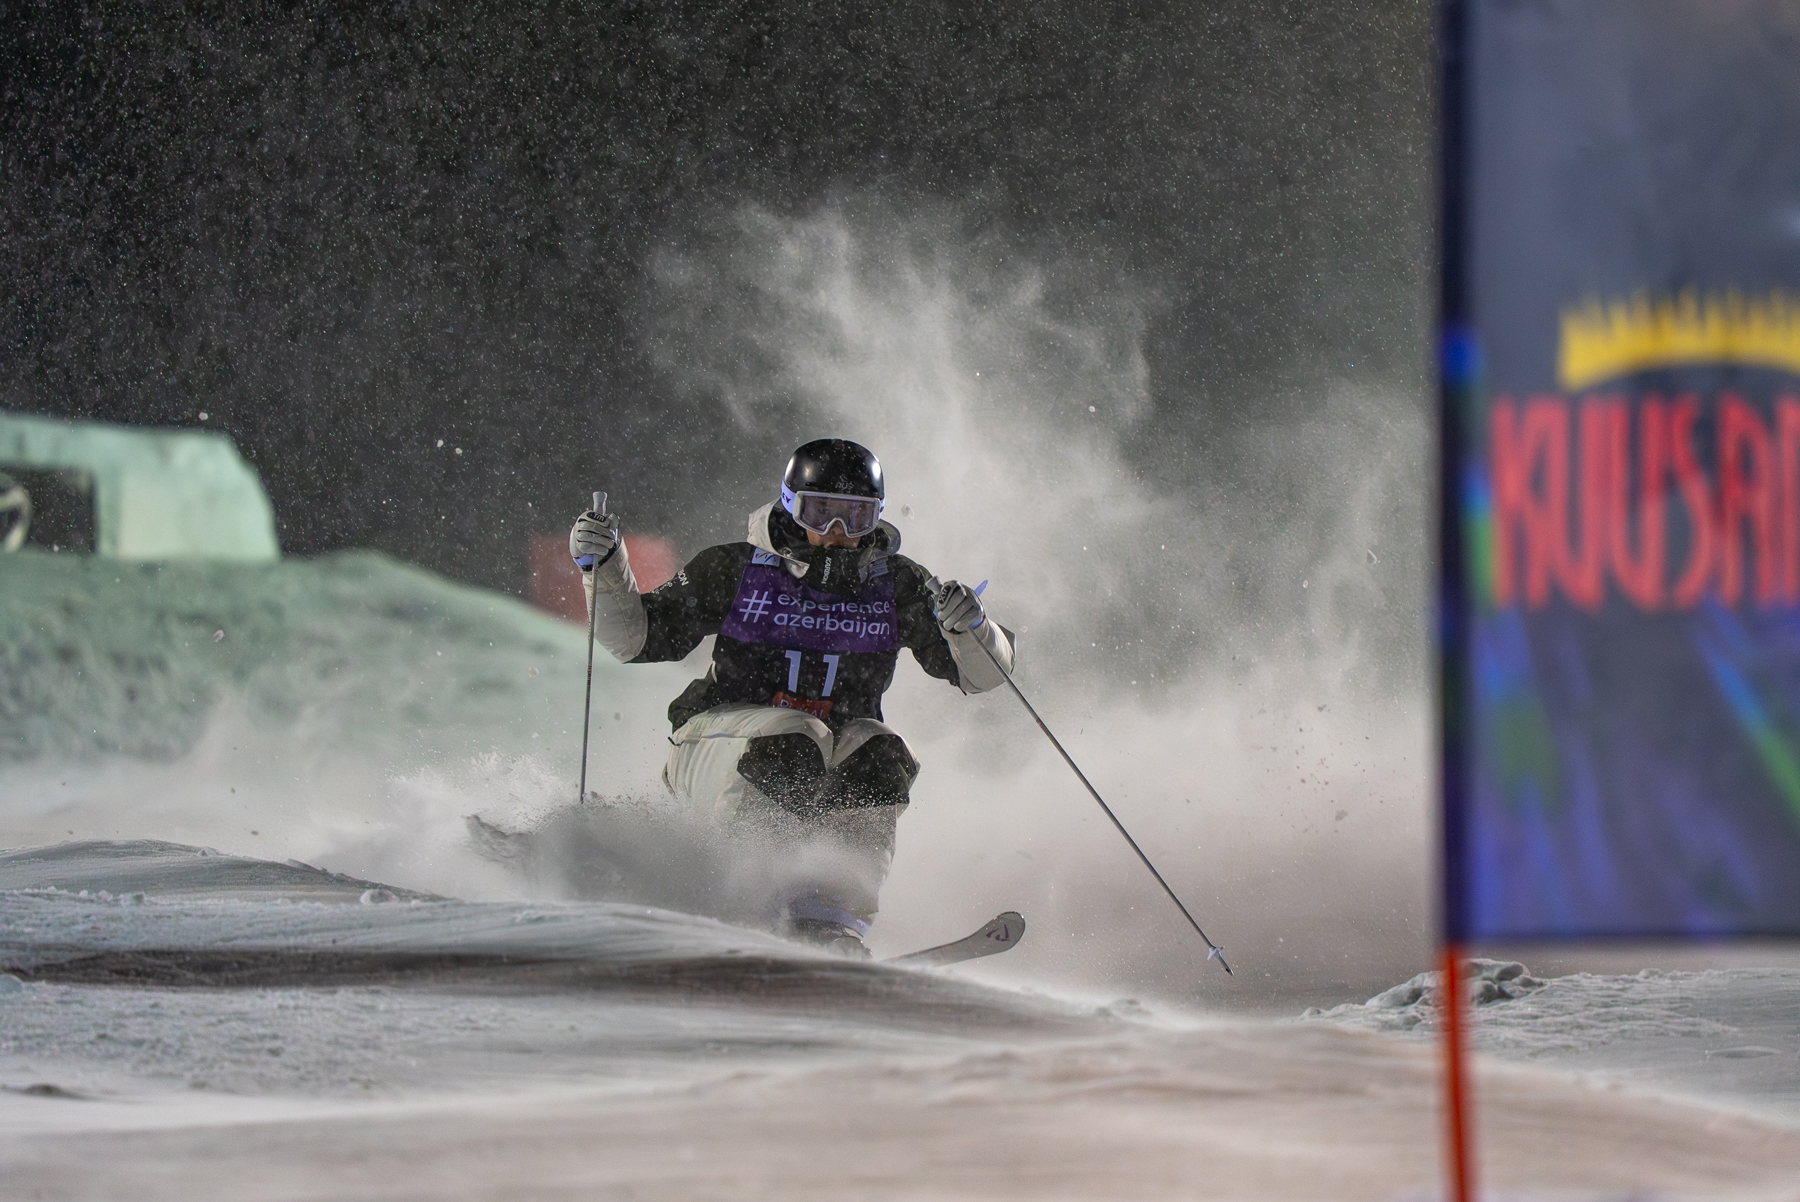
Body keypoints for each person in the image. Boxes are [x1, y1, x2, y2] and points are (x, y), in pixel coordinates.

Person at [569, 438, 1014, 955]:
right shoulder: (740, 568)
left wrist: (973, 629)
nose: (837, 533)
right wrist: (602, 568)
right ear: (788, 504)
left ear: (877, 518)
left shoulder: (895, 585)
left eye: (856, 516)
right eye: (819, 512)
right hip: (716, 749)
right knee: (797, 733)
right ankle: (737, 899)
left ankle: (832, 919)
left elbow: (981, 676)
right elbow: (637, 639)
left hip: (822, 759)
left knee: (879, 750)